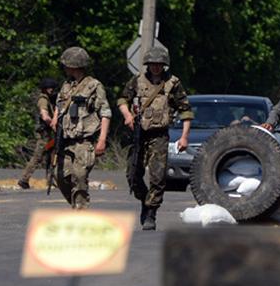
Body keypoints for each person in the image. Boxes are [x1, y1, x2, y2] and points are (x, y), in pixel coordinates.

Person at [118, 45, 191, 230]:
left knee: (158, 177)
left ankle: (151, 212)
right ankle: (145, 200)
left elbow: (185, 111)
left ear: (164, 65)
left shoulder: (172, 83)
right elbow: (122, 99)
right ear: (147, 64)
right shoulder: (137, 81)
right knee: (133, 174)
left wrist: (184, 137)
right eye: (152, 64)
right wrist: (127, 115)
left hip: (159, 135)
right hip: (139, 134)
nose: (156, 67)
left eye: (159, 64)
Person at [52, 47, 110, 209]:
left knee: (79, 176)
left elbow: (105, 113)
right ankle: (76, 205)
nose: (64, 68)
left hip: (84, 141)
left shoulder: (94, 86)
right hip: (65, 140)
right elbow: (60, 105)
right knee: (59, 176)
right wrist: (55, 119)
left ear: (74, 65)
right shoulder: (66, 86)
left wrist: (102, 140)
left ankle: (81, 211)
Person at [17, 77, 59, 189]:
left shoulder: (50, 99)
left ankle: (52, 180)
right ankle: (24, 179)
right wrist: (53, 124)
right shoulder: (43, 100)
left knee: (52, 156)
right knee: (38, 156)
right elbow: (44, 115)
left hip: (49, 135)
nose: (52, 90)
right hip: (45, 134)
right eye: (49, 88)